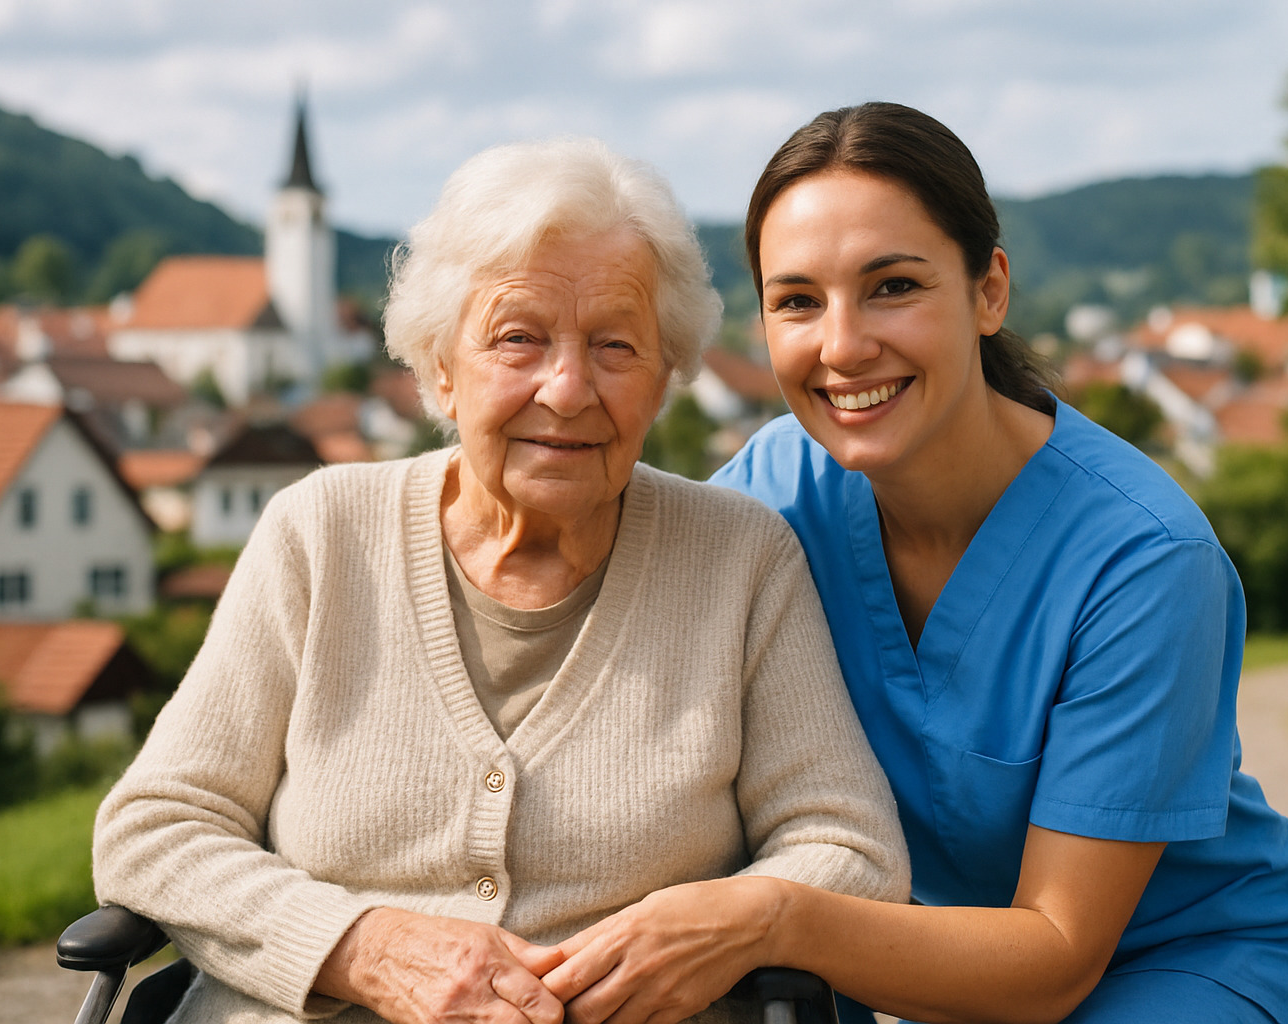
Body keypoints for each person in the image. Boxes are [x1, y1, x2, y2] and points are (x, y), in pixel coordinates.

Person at [539, 103, 1288, 1024]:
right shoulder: (768, 493)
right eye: (798, 300)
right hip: (945, 971)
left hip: (1183, 967)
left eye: (892, 286)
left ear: (988, 291)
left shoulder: (1144, 562)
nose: (843, 346)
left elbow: (1054, 954)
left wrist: (772, 918)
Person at [90, 136, 909, 1024]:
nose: (566, 388)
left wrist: (718, 924)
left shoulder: (741, 558)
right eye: (518, 339)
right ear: (439, 368)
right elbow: (155, 828)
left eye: (615, 345)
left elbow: (853, 847)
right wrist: (358, 946)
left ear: (665, 375)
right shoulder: (318, 533)